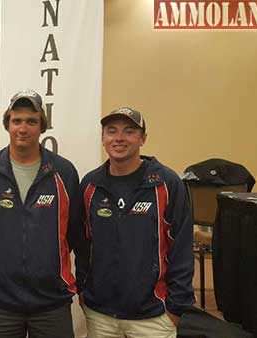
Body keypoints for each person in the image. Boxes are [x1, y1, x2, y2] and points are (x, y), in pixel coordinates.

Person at [0, 89, 82, 338]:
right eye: (17, 120)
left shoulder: (64, 172)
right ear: (7, 124)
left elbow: (73, 233)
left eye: (31, 121)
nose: (23, 128)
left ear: (42, 126)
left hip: (51, 301)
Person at [78, 107, 195, 337]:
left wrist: (176, 308)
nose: (119, 138)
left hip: (153, 316)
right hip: (100, 315)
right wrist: (83, 289)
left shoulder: (166, 183)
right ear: (103, 138)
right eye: (111, 131)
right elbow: (82, 244)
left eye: (129, 131)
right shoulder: (90, 185)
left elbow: (182, 247)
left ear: (143, 139)